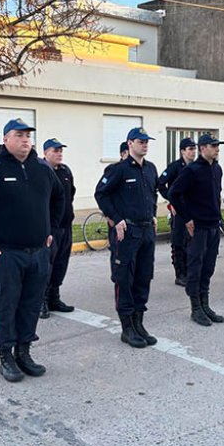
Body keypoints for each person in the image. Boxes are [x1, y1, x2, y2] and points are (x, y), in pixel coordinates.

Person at [0, 118, 65, 382]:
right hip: (5, 253)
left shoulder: (42, 167)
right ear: (6, 139)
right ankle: (5, 355)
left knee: (30, 305)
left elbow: (59, 196)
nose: (25, 140)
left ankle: (24, 351)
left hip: (38, 252)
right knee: (4, 305)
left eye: (28, 135)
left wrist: (50, 229)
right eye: (19, 135)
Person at [94, 128, 159, 348]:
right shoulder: (118, 170)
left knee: (143, 276)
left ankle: (139, 323)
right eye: (141, 141)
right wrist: (116, 217)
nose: (145, 145)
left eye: (147, 141)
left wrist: (152, 215)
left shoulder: (150, 169)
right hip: (127, 232)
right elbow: (101, 194)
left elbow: (152, 194)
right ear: (130, 143)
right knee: (124, 278)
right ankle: (127, 327)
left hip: (146, 231)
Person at [169, 133, 224, 327]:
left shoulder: (217, 169)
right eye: (214, 145)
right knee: (195, 267)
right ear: (203, 148)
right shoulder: (192, 170)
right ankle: (195, 308)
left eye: (218, 145)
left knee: (208, 268)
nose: (217, 149)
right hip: (198, 228)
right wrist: (187, 218)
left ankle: (205, 304)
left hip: (213, 226)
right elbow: (174, 194)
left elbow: (215, 195)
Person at [39, 138, 76, 319]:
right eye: (55, 150)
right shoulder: (40, 171)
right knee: (47, 265)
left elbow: (71, 194)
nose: (59, 153)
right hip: (49, 229)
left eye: (61, 150)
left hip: (66, 226)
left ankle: (55, 297)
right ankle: (42, 301)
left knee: (61, 264)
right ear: (46, 152)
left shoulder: (65, 171)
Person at [157, 137, 198, 286]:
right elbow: (160, 184)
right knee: (179, 242)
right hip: (178, 210)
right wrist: (172, 201)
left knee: (192, 242)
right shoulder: (175, 167)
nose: (193, 152)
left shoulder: (196, 166)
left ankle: (190, 272)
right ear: (182, 151)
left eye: (194, 149)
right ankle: (180, 274)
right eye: (190, 149)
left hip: (193, 209)